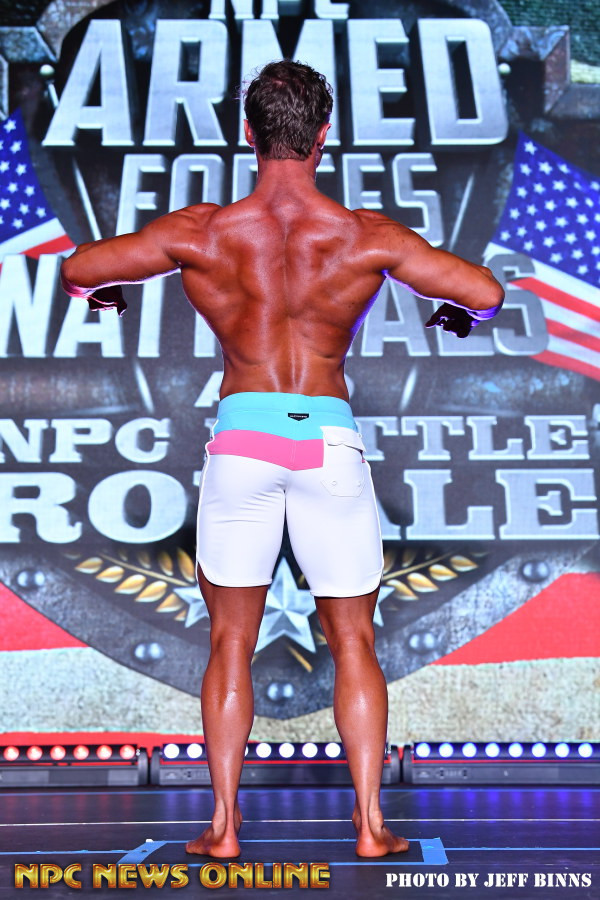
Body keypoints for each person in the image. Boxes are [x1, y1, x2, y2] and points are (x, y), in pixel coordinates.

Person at [60, 59, 504, 859]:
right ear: (324, 136)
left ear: (248, 134)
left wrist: (107, 291)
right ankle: (370, 827)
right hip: (328, 443)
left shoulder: (203, 232)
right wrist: (455, 312)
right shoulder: (365, 236)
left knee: (229, 642)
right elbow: (485, 292)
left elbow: (77, 269)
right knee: (355, 641)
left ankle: (224, 828)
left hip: (243, 444)